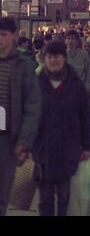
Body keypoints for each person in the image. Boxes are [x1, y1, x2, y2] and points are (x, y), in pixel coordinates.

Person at [32, 41, 90, 216]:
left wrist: (86, 145)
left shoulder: (75, 84)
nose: (53, 61)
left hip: (69, 148)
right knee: (44, 200)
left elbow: (85, 115)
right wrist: (26, 143)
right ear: (45, 59)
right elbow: (29, 114)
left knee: (65, 197)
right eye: (50, 57)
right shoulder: (37, 83)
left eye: (57, 57)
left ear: (64, 59)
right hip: (43, 149)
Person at [0, 17, 41, 216]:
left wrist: (25, 142)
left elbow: (33, 107)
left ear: (14, 36)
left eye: (3, 35)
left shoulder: (24, 66)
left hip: (7, 138)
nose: (0, 39)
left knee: (2, 193)